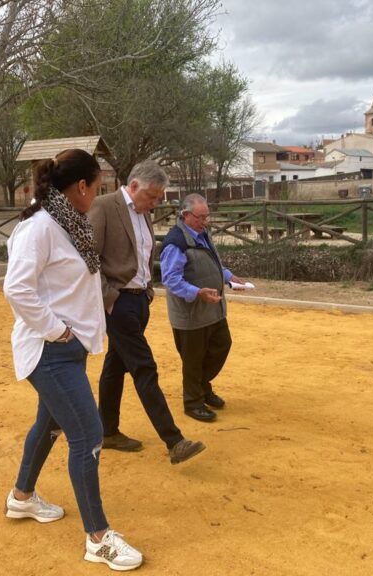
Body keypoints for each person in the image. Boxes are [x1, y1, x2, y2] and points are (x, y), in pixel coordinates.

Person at [3, 149, 142, 571]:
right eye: (98, 187)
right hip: (51, 351)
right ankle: (97, 537)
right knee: (89, 434)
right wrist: (56, 330)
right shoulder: (41, 227)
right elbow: (17, 288)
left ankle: (21, 498)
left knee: (50, 423)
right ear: (81, 186)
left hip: (69, 347)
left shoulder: (69, 223)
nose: (99, 195)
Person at [88, 159, 205, 462]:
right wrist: (109, 298)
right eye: (151, 196)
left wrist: (149, 290)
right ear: (135, 185)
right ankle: (174, 441)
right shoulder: (104, 206)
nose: (154, 203)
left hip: (140, 300)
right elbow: (88, 260)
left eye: (158, 198)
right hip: (119, 301)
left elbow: (142, 256)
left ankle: (107, 430)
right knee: (144, 367)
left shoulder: (144, 215)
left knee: (116, 365)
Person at [159, 193, 246, 422]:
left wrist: (228, 276)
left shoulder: (203, 234)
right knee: (193, 359)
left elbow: (213, 261)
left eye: (207, 216)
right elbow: (170, 279)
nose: (205, 221)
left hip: (213, 309)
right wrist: (197, 292)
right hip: (191, 314)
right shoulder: (176, 243)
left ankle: (202, 388)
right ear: (186, 215)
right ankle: (193, 402)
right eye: (200, 217)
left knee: (221, 344)